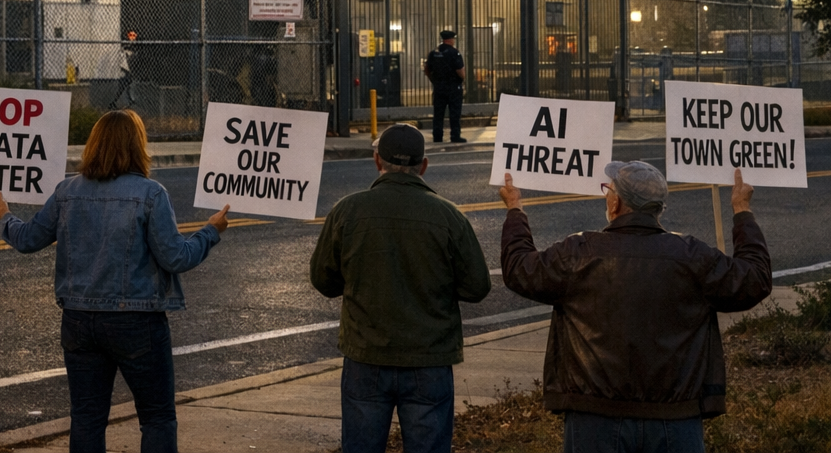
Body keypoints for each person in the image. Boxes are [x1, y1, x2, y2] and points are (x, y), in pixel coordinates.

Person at [0, 108, 229, 453]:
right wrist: (210, 232)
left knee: (87, 418)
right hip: (137, 321)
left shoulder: (66, 191)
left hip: (78, 320)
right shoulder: (150, 194)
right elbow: (176, 257)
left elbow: (28, 239)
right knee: (157, 417)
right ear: (137, 146)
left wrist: (4, 216)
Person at [499, 160, 772, 453]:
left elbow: (519, 269)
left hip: (594, 417)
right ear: (657, 208)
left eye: (608, 190)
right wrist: (742, 210)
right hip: (675, 418)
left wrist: (515, 209)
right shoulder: (694, 256)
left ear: (615, 203)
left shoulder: (578, 253)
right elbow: (754, 280)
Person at [310, 123, 491, 453]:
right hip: (429, 358)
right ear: (423, 166)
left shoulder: (347, 211)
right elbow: (477, 286)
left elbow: (324, 280)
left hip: (366, 357)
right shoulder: (449, 217)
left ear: (377, 161)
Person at [424, 29, 466, 143]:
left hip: (439, 87)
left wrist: (434, 80)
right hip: (453, 88)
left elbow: (427, 69)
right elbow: (460, 71)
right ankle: (455, 135)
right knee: (455, 113)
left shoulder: (434, 53)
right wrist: (462, 79)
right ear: (451, 39)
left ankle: (437, 136)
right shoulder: (454, 53)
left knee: (438, 113)